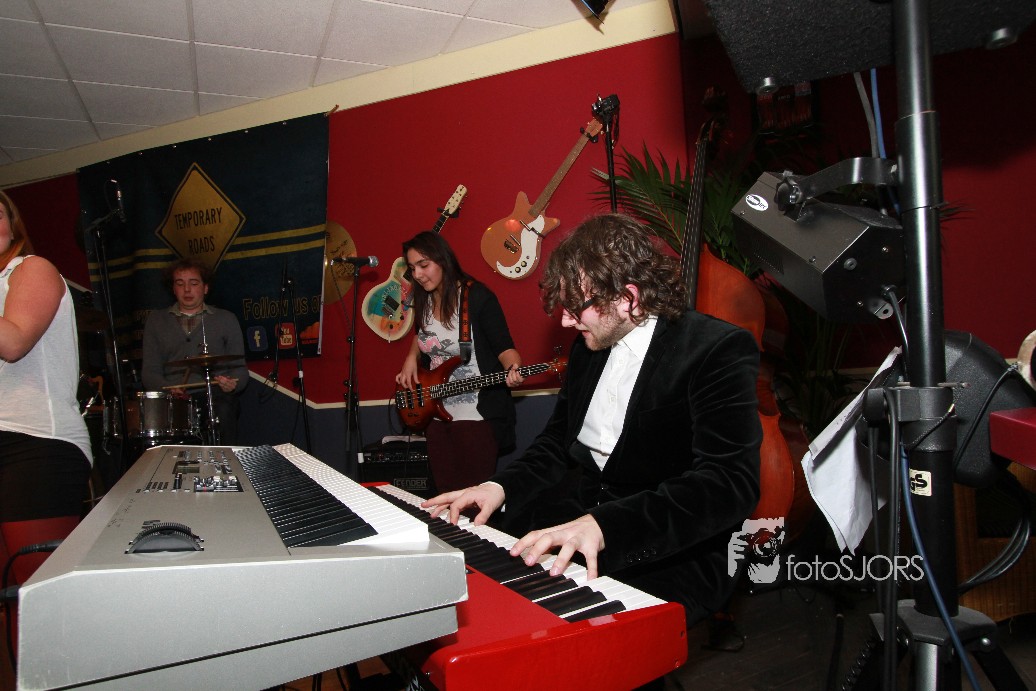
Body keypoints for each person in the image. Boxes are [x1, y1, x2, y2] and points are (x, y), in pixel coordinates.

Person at [423, 213, 762, 628]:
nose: (565, 321)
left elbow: (728, 483)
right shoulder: (588, 346)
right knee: (486, 595)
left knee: (587, 640)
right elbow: (556, 443)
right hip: (577, 512)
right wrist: (497, 487)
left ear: (628, 298)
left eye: (574, 308)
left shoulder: (716, 349)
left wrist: (605, 527)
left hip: (668, 546)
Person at [0, 190, 93, 585]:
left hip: (35, 442)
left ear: (12, 226)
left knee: (36, 589)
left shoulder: (31, 269)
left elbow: (14, 342)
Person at [395, 231, 525, 493]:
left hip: (476, 416)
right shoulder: (423, 300)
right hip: (436, 415)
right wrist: (411, 357)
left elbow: (504, 348)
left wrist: (514, 368)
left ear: (442, 260)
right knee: (444, 497)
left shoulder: (478, 297)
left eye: (423, 265)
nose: (417, 274)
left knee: (472, 500)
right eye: (412, 268)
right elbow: (423, 334)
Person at [141, 257, 248, 445]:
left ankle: (223, 460)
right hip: (173, 399)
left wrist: (232, 384)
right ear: (173, 289)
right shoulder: (156, 321)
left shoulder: (226, 319)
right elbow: (149, 373)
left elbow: (240, 370)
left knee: (224, 411)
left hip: (214, 395)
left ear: (205, 288)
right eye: (180, 284)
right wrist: (167, 388)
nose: (187, 289)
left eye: (194, 283)